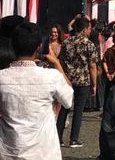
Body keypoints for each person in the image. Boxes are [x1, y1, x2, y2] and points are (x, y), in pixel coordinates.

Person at [0, 21, 73, 160]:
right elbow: (68, 100)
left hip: (9, 150)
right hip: (43, 150)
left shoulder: (2, 77)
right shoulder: (51, 76)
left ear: (12, 46)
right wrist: (57, 64)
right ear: (39, 47)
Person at [56, 16, 100, 148]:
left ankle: (58, 138)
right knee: (78, 111)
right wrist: (94, 84)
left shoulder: (66, 42)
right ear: (85, 29)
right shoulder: (89, 44)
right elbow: (92, 66)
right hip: (83, 80)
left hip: (67, 79)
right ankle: (73, 139)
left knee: (64, 109)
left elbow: (61, 61)